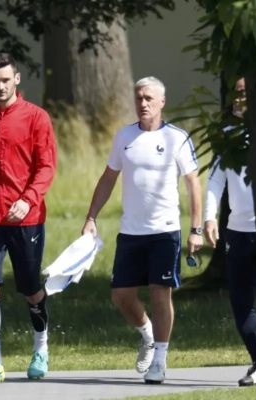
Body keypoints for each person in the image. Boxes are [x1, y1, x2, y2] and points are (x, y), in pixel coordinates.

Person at [81, 76, 204, 384]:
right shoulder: (124, 136)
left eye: (149, 98)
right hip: (131, 232)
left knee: (160, 292)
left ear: (162, 102)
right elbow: (108, 178)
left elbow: (193, 183)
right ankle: (148, 335)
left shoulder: (177, 138)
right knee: (120, 295)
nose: (143, 103)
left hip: (165, 231)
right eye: (138, 98)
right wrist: (91, 217)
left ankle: (160, 358)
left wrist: (196, 229)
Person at [0, 53, 57, 383]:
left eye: (6, 79)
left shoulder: (36, 118)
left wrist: (28, 200)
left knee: (30, 288)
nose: (0, 86)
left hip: (25, 219)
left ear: (17, 79)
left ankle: (41, 348)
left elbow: (46, 167)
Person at [203, 77, 256, 387]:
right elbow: (215, 179)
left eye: (245, 93)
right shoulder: (227, 135)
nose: (239, 98)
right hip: (237, 231)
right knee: (241, 302)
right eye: (236, 93)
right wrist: (209, 218)